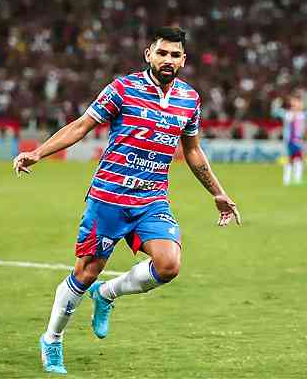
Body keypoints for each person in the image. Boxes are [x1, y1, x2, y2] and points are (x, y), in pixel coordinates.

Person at [13, 27, 241, 374]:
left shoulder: (189, 99)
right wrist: (38, 153)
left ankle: (108, 294)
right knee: (86, 272)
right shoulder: (122, 89)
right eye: (162, 53)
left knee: (169, 265)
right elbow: (80, 126)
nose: (168, 60)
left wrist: (217, 192)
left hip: (152, 200)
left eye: (175, 55)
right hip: (109, 198)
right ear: (148, 54)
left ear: (183, 60)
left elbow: (192, 151)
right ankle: (52, 339)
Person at [273, 91, 307, 185]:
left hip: (298, 140)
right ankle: (290, 179)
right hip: (291, 140)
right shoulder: (288, 114)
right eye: (297, 102)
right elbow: (275, 112)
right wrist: (276, 103)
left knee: (297, 158)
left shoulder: (302, 115)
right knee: (293, 158)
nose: (300, 104)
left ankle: (293, 179)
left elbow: (305, 127)